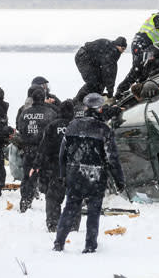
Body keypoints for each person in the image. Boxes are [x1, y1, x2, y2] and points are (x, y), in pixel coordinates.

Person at [53, 93, 125, 254]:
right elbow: (112, 158)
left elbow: (62, 154)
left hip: (74, 173)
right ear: (100, 109)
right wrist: (120, 180)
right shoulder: (104, 130)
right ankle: (90, 245)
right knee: (94, 211)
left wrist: (63, 174)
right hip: (96, 176)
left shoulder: (72, 126)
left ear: (85, 108)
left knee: (70, 208)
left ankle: (59, 242)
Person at [32, 99, 75, 232]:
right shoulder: (77, 125)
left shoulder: (52, 126)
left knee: (53, 197)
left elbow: (44, 147)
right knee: (74, 196)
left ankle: (53, 223)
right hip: (74, 166)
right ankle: (73, 224)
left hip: (57, 166)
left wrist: (37, 164)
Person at [17, 88, 57, 212]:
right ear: (43, 98)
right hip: (45, 151)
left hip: (28, 149)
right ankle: (50, 205)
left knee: (28, 177)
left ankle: (25, 201)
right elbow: (54, 132)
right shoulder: (50, 113)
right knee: (49, 178)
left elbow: (20, 129)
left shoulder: (24, 113)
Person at [74, 36, 127, 102]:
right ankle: (77, 102)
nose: (123, 51)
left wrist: (109, 91)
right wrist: (110, 92)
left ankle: (95, 100)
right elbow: (108, 72)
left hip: (92, 61)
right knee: (93, 82)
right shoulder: (112, 51)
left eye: (124, 49)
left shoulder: (113, 50)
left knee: (100, 82)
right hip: (83, 57)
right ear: (117, 45)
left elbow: (111, 70)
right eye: (122, 48)